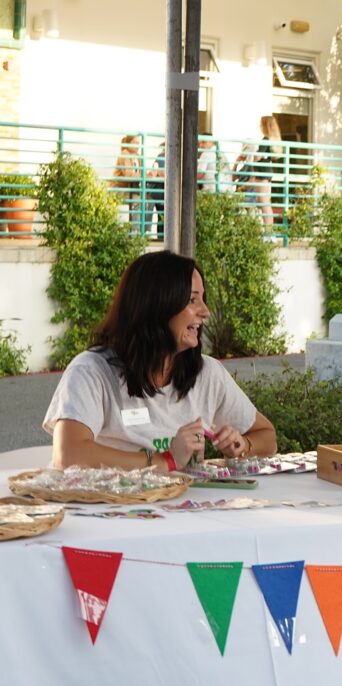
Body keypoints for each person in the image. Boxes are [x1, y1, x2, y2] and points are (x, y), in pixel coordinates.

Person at [43, 251, 277, 471]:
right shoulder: (91, 371)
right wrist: (166, 461)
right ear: (157, 307)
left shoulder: (207, 373)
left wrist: (242, 445)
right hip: (110, 502)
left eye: (202, 299)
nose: (205, 312)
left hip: (188, 501)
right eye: (192, 300)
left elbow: (267, 436)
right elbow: (68, 455)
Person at [234, 115, 282, 227]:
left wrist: (254, 156)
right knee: (264, 202)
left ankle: (268, 231)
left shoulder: (266, 139)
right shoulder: (273, 141)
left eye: (261, 124)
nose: (260, 126)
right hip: (266, 172)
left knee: (264, 203)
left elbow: (258, 156)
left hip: (262, 172)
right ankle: (268, 230)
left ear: (265, 126)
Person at [111, 134, 144, 231]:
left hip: (130, 189)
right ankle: (135, 232)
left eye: (139, 143)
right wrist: (144, 175)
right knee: (138, 200)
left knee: (148, 199)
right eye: (135, 143)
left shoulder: (138, 157)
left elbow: (140, 173)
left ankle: (143, 230)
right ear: (128, 143)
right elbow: (128, 174)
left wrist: (148, 174)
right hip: (118, 189)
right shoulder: (124, 154)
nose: (138, 145)